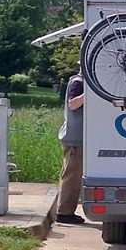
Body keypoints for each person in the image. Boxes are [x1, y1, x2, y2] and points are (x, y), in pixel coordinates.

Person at [56, 66, 85, 224]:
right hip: (75, 139)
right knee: (72, 176)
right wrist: (89, 94)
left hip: (75, 138)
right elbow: (73, 104)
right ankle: (65, 212)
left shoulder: (78, 82)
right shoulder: (78, 83)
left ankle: (65, 209)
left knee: (71, 174)